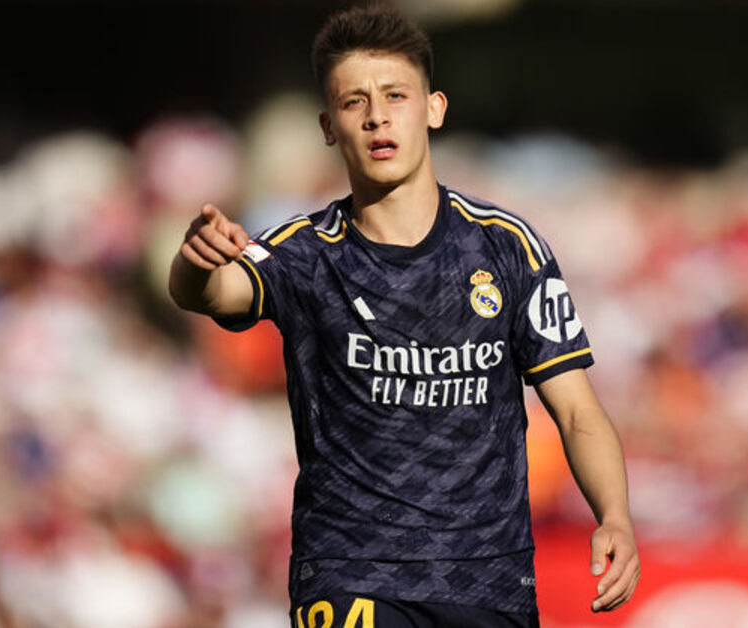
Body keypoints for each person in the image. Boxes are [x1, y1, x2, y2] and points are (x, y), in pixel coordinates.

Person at [169, 5, 640, 626]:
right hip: (352, 573)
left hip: (489, 580)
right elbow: (210, 294)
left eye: (395, 95)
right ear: (329, 126)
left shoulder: (506, 247)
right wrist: (196, 259)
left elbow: (576, 409)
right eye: (354, 102)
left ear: (434, 108)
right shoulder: (306, 253)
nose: (377, 117)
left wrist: (614, 516)